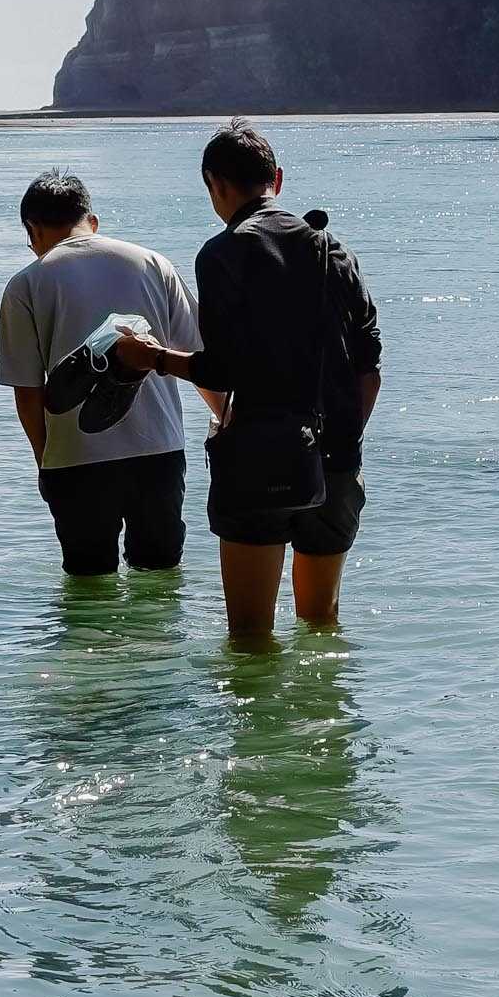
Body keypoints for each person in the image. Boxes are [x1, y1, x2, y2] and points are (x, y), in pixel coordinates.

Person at [116, 121, 382, 641]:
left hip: (257, 465)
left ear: (215, 185)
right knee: (321, 624)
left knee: (250, 640)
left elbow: (221, 370)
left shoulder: (222, 254)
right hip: (335, 464)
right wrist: (340, 441)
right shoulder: (334, 252)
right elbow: (369, 368)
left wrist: (154, 357)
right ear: (276, 179)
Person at [0, 170, 221, 577]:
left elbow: (28, 392)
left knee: (88, 585)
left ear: (33, 228)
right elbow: (200, 359)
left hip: (76, 458)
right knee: (160, 579)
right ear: (91, 221)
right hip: (159, 451)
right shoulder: (153, 263)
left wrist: (46, 462)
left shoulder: (26, 284)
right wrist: (225, 419)